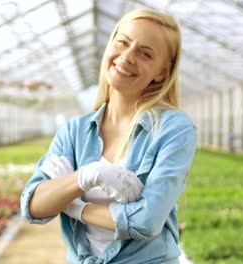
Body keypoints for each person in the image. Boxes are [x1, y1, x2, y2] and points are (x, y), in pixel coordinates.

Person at [20, 9, 197, 264]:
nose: (127, 56)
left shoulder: (173, 129)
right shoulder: (74, 132)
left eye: (145, 53)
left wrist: (74, 206)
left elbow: (147, 221)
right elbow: (34, 204)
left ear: (161, 72)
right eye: (122, 42)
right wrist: (89, 175)